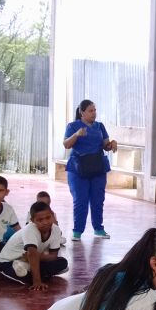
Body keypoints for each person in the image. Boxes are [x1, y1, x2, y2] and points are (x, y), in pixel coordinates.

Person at [63, 99, 117, 241]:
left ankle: (98, 228)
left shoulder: (100, 126)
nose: (94, 113)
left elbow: (106, 145)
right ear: (82, 113)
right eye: (90, 111)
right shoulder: (73, 126)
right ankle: (77, 231)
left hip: (97, 167)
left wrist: (112, 144)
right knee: (80, 200)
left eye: (95, 110)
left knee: (98, 199)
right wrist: (76, 135)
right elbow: (66, 145)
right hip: (78, 168)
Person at [0, 201, 68, 290]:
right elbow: (32, 254)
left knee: (63, 262)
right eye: (40, 220)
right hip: (8, 262)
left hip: (31, 259)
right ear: (32, 220)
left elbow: (53, 256)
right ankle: (27, 270)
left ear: (52, 215)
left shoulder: (56, 230)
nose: (45, 222)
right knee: (29, 279)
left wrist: (37, 257)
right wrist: (37, 282)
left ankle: (26, 267)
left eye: (48, 217)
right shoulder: (29, 229)